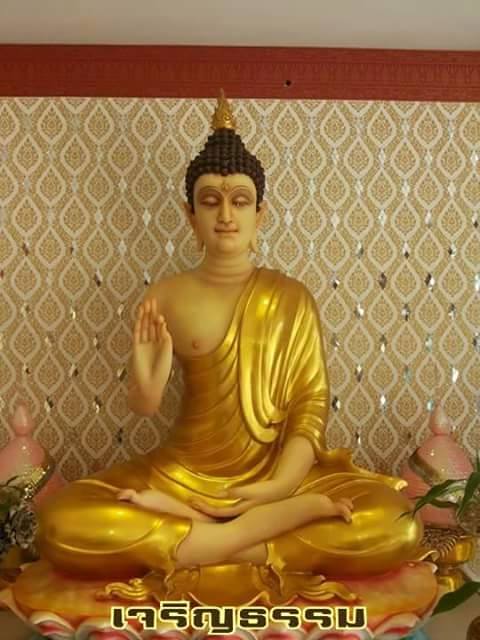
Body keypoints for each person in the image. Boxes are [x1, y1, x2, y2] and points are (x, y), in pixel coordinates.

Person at [32, 92, 423, 605]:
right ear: (189, 214)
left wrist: (279, 486)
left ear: (261, 213)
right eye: (210, 201)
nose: (225, 215)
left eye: (239, 200)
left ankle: (200, 543)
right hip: (181, 477)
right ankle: (254, 543)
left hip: (277, 477)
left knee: (397, 521)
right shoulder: (165, 296)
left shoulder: (291, 296)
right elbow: (145, 407)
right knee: (60, 522)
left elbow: (309, 405)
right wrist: (147, 382)